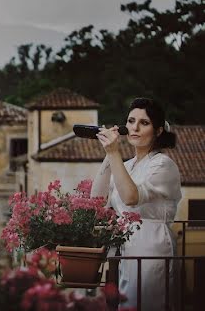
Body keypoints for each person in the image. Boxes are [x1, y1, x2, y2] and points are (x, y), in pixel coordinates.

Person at [90, 97, 182, 311]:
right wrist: (108, 153)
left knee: (149, 304)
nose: (135, 128)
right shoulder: (127, 166)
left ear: (158, 131)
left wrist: (114, 153)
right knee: (128, 305)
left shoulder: (163, 165)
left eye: (144, 123)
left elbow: (131, 197)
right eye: (131, 121)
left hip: (153, 247)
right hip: (127, 248)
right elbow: (96, 200)